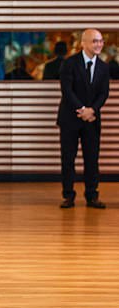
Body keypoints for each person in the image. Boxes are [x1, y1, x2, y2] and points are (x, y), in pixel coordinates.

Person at [58, 29, 109, 209]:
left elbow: (104, 93)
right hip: (70, 118)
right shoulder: (69, 64)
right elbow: (67, 90)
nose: (99, 44)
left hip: (92, 120)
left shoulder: (104, 67)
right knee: (68, 158)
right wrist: (82, 109)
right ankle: (68, 195)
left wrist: (92, 110)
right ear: (84, 43)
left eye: (101, 41)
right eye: (95, 41)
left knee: (92, 159)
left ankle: (92, 195)